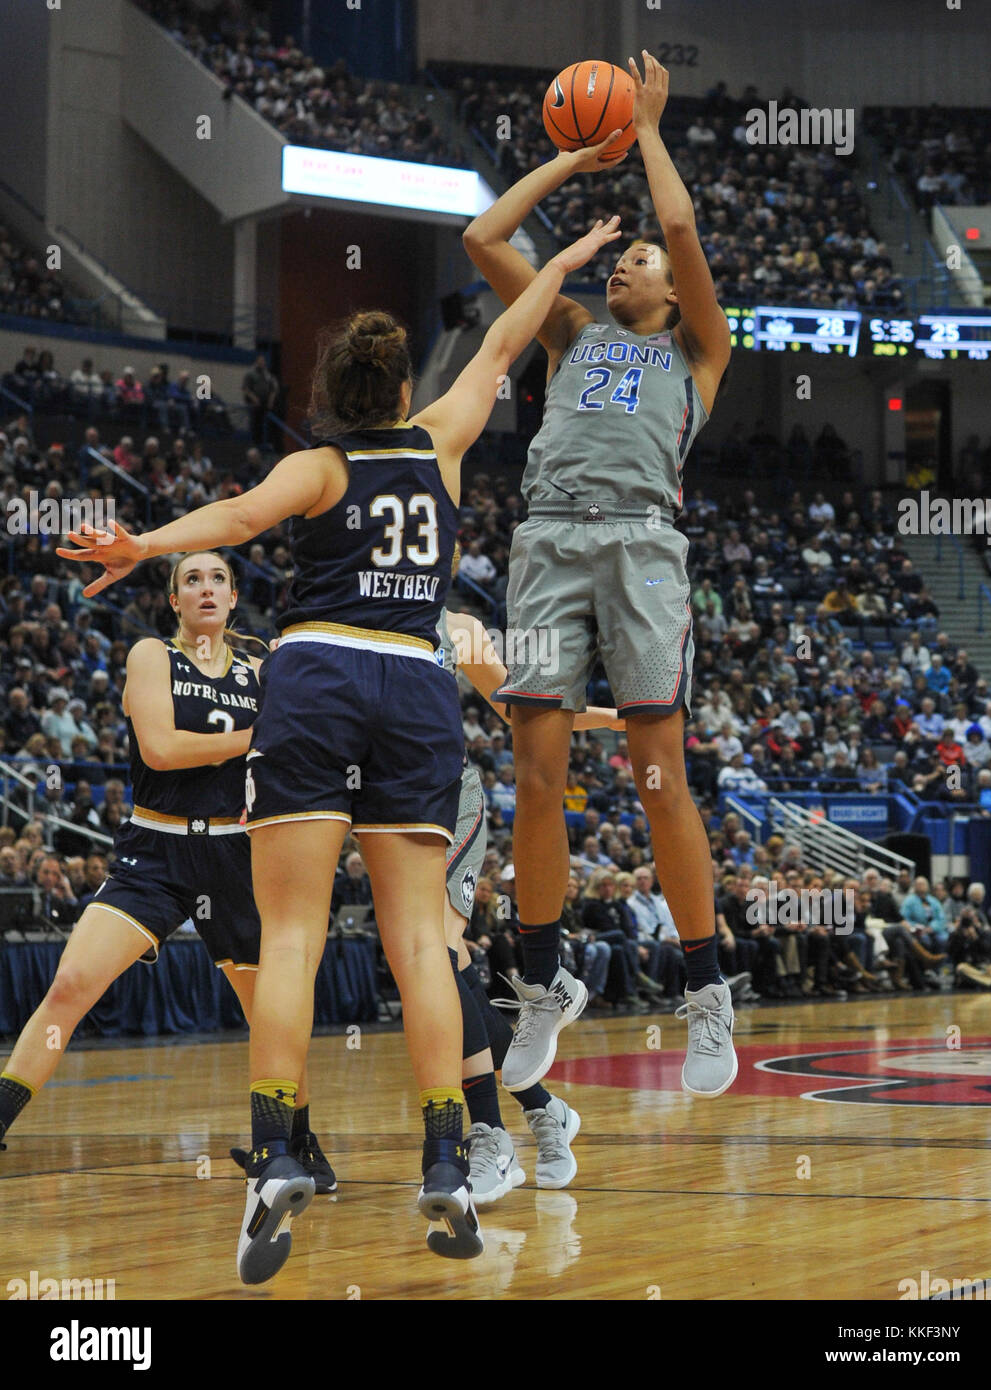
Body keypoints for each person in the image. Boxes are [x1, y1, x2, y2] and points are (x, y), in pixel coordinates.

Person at [59, 216, 622, 1281]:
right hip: (411, 684)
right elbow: (507, 338)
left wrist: (141, 543)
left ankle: (277, 1150)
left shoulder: (316, 466)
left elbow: (227, 519)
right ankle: (447, 1161)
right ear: (402, 388)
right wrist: (562, 259)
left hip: (315, 676)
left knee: (291, 938)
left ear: (329, 392)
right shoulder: (443, 439)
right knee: (418, 944)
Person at [463, 51, 734, 1102]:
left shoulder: (700, 351)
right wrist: (570, 160)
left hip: (639, 549)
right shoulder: (567, 331)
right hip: (544, 547)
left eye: (636, 267)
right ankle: (541, 979)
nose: (620, 268)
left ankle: (704, 989)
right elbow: (483, 239)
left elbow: (676, 229)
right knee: (533, 770)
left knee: (655, 771)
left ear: (671, 293)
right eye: (612, 264)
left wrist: (649, 129)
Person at [0, 553, 335, 1188]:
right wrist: (264, 731)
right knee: (71, 984)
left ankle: (302, 1145)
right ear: (174, 601)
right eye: (191, 580)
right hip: (155, 848)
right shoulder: (152, 655)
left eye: (217, 580)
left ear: (234, 597)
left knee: (271, 1010)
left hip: (238, 853)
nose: (205, 589)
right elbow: (163, 748)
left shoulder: (264, 667)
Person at [437, 598, 620, 1201]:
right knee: (443, 970)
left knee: (436, 955)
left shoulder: (456, 630)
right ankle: (543, 1108)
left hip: (444, 801)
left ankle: (489, 1134)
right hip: (375, 810)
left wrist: (611, 719)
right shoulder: (342, 618)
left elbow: (520, 709)